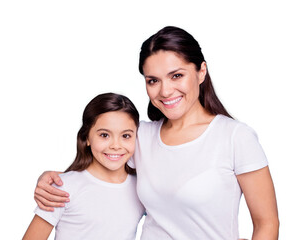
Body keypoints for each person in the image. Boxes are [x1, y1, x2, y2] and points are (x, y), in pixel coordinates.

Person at [34, 26, 279, 239]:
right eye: (153, 81)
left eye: (177, 76)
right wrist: (52, 177)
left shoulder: (236, 137)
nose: (165, 91)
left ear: (201, 71)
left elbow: (267, 223)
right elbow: (99, 168)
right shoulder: (141, 136)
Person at [23, 93, 145, 240]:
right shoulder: (62, 188)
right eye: (104, 135)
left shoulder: (142, 188)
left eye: (126, 136)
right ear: (87, 137)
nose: (115, 146)